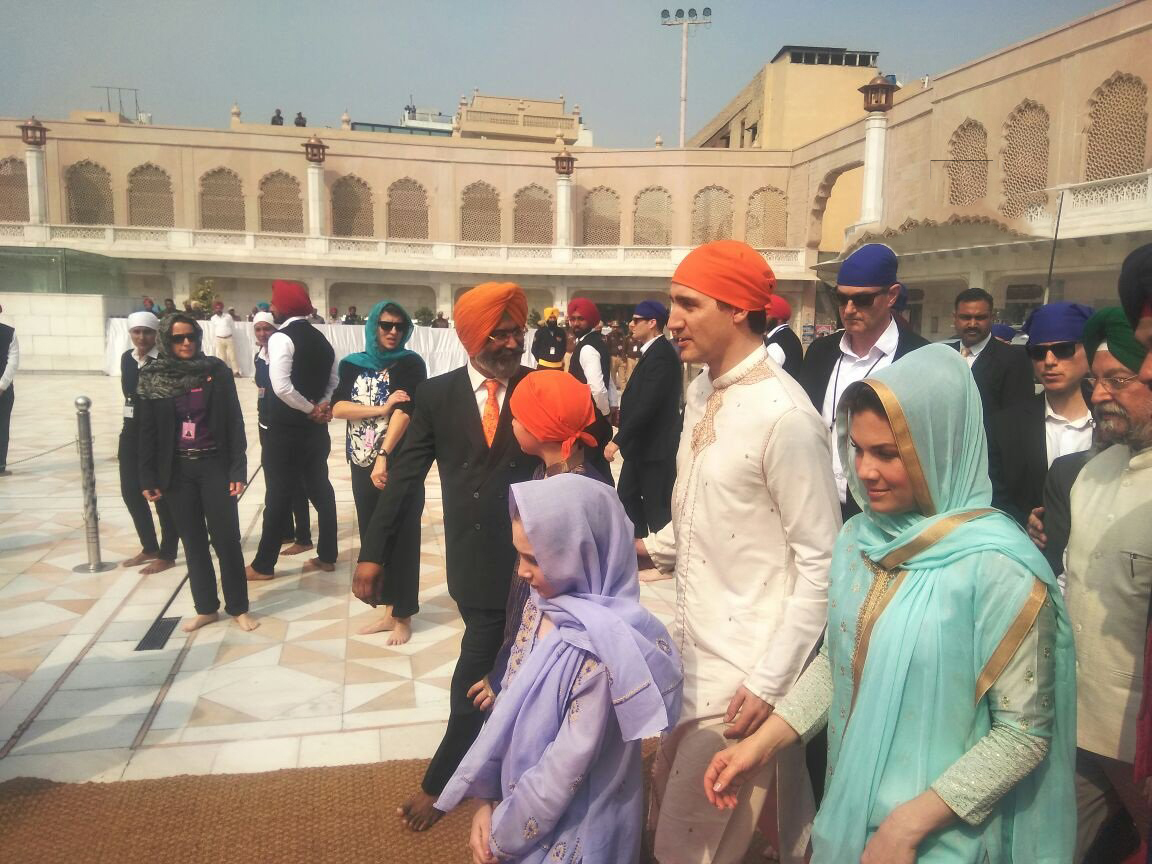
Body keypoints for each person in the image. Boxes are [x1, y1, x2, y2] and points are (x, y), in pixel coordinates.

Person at [705, 344, 1076, 864]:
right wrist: (760, 745)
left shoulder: (998, 567)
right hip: (853, 814)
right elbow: (841, 663)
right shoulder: (861, 540)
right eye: (857, 449)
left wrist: (905, 827)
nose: (867, 471)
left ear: (939, 447)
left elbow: (1022, 735)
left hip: (941, 837)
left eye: (888, 452)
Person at [642, 240, 841, 864]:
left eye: (687, 304)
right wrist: (641, 548)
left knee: (687, 844)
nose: (671, 318)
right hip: (693, 652)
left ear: (736, 310)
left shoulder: (786, 417)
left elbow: (822, 562)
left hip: (745, 675)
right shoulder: (704, 389)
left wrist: (771, 679)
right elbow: (702, 509)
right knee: (668, 820)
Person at [352, 282, 540, 832]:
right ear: (470, 338)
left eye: (515, 331)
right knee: (481, 673)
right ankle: (445, 785)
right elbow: (404, 478)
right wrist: (372, 554)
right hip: (479, 568)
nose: (509, 343)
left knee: (513, 674)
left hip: (542, 567)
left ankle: (461, 779)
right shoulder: (437, 396)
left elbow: (584, 448)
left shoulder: (543, 386)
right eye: (497, 333)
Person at [438, 475, 682, 864]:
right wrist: (485, 799)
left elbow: (562, 773)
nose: (521, 571)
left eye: (534, 559)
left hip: (577, 828)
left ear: (581, 553)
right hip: (515, 804)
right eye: (519, 555)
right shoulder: (545, 605)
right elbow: (509, 705)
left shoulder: (605, 651)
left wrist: (502, 835)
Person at [1059, 308, 1152, 860]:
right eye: (1096, 381)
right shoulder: (1090, 473)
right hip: (1075, 725)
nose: (1097, 396)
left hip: (1137, 743)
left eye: (1118, 380)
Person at [470, 370, 608, 712]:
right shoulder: (552, 475)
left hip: (555, 646)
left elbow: (548, 594)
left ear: (540, 428)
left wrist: (505, 670)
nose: (511, 424)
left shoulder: (569, 495)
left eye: (517, 417)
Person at [137, 315, 257, 634]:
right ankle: (205, 607)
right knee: (192, 541)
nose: (186, 343)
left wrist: (237, 468)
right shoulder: (153, 376)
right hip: (177, 470)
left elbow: (233, 419)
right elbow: (146, 431)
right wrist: (147, 476)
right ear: (166, 341)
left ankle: (239, 607)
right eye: (178, 339)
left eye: (190, 336)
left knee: (226, 539)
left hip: (214, 465)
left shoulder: (215, 371)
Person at [797, 243, 929, 522]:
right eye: (841, 299)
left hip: (886, 514)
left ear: (891, 296)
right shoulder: (821, 352)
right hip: (817, 503)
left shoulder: (918, 358)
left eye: (862, 299)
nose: (849, 309)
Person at [332, 300, 427, 645]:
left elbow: (405, 412)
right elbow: (338, 407)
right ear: (373, 327)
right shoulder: (352, 364)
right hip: (360, 460)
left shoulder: (410, 364)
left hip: (396, 461)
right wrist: (380, 407)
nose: (392, 332)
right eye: (385, 325)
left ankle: (403, 614)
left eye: (399, 327)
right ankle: (387, 609)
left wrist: (384, 457)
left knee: (402, 534)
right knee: (374, 532)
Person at [246, 280, 340, 579]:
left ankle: (263, 565)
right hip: (314, 431)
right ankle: (327, 555)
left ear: (279, 306)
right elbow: (334, 381)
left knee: (278, 495)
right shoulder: (322, 340)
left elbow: (282, 386)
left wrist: (310, 409)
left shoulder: (280, 339)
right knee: (320, 490)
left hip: (284, 431)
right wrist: (321, 406)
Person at [988, 302, 1094, 526]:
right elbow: (995, 495)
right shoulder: (1005, 426)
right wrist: (1023, 522)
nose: (1049, 361)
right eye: (1038, 352)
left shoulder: (1115, 421)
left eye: (1063, 349)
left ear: (1089, 352)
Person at [604, 300, 680, 538]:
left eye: (636, 320)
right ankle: (639, 548)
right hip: (641, 447)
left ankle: (662, 557)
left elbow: (648, 404)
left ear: (652, 323)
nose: (631, 324)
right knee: (627, 495)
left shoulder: (662, 355)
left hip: (654, 447)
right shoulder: (652, 352)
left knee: (657, 505)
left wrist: (618, 440)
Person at [119, 311, 179, 572]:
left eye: (147, 332)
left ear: (156, 334)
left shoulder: (165, 361)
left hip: (157, 436)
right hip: (131, 431)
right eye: (137, 332)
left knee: (161, 495)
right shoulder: (127, 360)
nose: (141, 337)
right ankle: (149, 546)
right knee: (131, 491)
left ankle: (167, 553)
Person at [251, 311, 312, 555]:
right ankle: (285, 530)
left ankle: (303, 535)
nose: (263, 333)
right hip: (265, 423)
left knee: (296, 482)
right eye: (258, 329)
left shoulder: (283, 353)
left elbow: (285, 388)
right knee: (273, 482)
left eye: (267, 328)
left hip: (285, 426)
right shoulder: (259, 357)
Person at [948, 287, 1034, 423]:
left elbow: (1017, 418)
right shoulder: (942, 355)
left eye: (980, 317)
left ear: (992, 318)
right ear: (955, 318)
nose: (972, 324)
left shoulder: (1014, 360)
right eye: (965, 317)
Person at [567, 297, 618, 485]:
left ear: (591, 320)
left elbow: (597, 387)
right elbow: (609, 380)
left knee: (591, 470)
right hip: (596, 417)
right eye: (573, 319)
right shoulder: (595, 342)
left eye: (581, 318)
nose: (576, 323)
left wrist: (605, 412)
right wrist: (612, 405)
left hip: (590, 419)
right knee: (599, 469)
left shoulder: (587, 347)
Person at [763, 293, 803, 379]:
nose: (761, 318)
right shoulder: (788, 335)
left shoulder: (776, 344)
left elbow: (766, 378)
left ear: (779, 318)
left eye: (766, 314)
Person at [0, 304, 17, 476]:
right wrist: (2, 385)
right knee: (2, 426)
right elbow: (13, 363)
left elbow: (13, 361)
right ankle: (0, 465)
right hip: (4, 392)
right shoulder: (9, 333)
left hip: (3, 391)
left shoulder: (9, 333)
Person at [208, 301, 240, 377]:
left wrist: (232, 335)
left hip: (229, 338)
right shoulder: (213, 318)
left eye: (219, 308)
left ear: (222, 308)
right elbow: (212, 329)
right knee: (222, 357)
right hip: (219, 339)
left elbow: (232, 326)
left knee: (232, 356)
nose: (218, 309)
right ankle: (223, 372)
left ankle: (236, 372)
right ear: (214, 309)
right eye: (216, 308)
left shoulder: (228, 316)